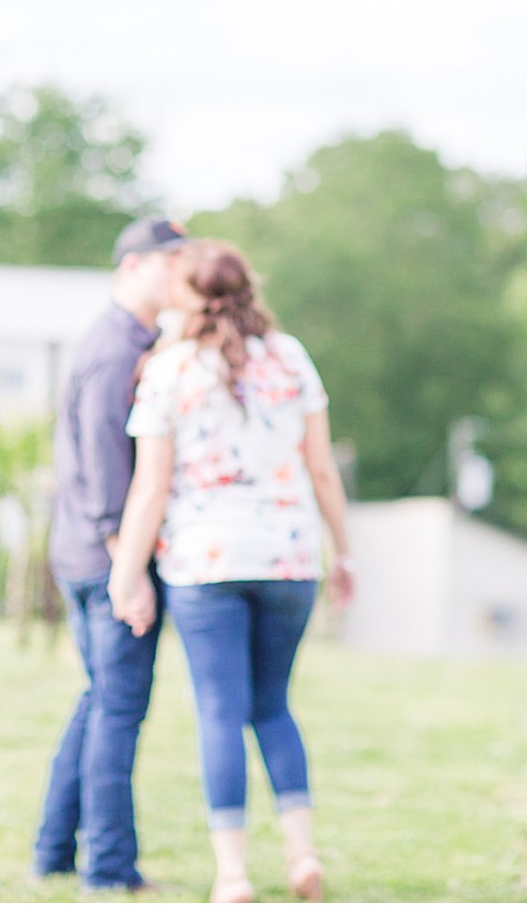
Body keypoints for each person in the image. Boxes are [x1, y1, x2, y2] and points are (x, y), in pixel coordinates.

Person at [105, 240, 354, 904]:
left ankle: (234, 874)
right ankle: (302, 854)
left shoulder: (170, 369)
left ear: (186, 296)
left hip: (205, 562)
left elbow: (150, 489)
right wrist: (345, 552)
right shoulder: (291, 356)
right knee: (272, 707)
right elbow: (322, 470)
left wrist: (124, 574)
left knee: (220, 713)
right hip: (290, 557)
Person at [31, 215, 192, 893]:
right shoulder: (113, 349)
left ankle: (52, 851)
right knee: (119, 709)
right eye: (169, 261)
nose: (181, 273)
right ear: (133, 267)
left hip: (91, 554)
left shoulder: (138, 340)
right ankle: (109, 868)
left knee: (100, 701)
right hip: (105, 559)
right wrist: (129, 571)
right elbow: (104, 475)